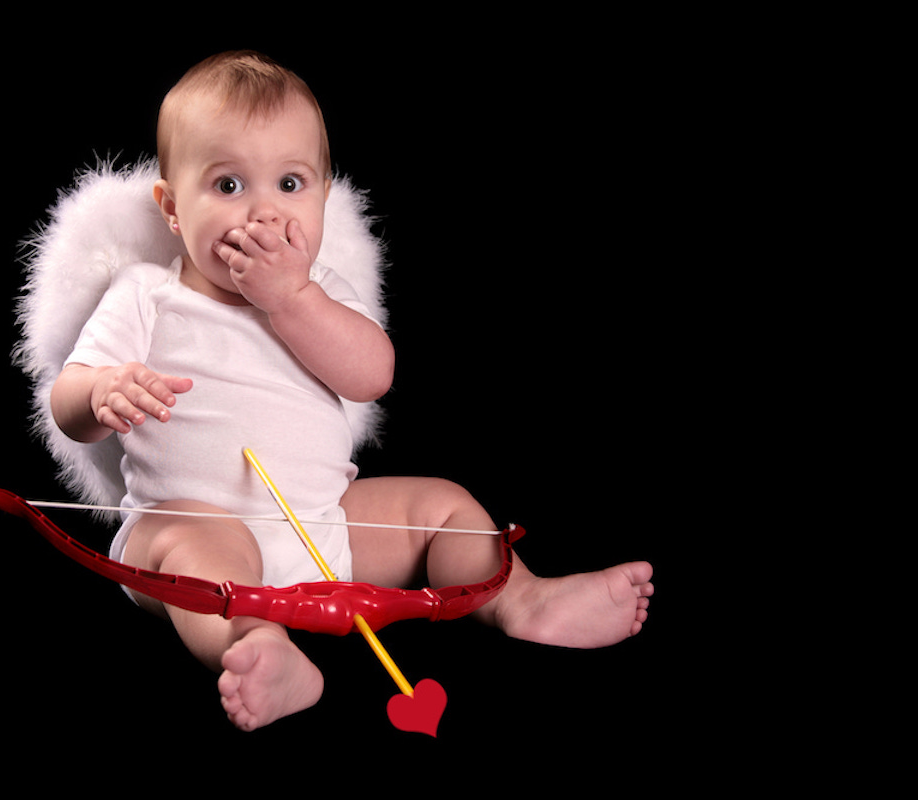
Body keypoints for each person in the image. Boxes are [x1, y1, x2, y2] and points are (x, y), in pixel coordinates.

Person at [48, 51, 653, 732]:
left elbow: (372, 375)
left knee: (442, 505)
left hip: (325, 528)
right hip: (190, 526)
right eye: (226, 185)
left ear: (323, 198)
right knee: (195, 549)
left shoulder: (320, 294)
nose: (262, 211)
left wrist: (290, 299)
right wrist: (102, 391)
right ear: (173, 210)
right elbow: (65, 403)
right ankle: (258, 647)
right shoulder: (148, 296)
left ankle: (525, 601)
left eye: (289, 182)